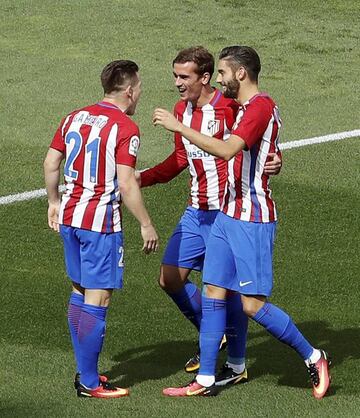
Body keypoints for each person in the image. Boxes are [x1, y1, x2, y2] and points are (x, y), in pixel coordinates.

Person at [153, 46, 331, 399]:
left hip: (252, 216)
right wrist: (274, 156)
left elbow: (226, 150)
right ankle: (205, 379)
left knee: (251, 305)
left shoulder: (260, 106)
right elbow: (261, 148)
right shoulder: (245, 108)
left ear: (240, 74)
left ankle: (314, 355)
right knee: (214, 292)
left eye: (222, 73)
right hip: (226, 213)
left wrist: (179, 127)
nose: (218, 80)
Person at [139, 46, 281, 379]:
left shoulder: (231, 108)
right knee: (169, 278)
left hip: (226, 212)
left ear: (205, 78)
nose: (177, 83)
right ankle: (211, 332)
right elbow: (179, 160)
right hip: (196, 210)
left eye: (184, 76)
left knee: (225, 290)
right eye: (175, 75)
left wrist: (277, 159)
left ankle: (235, 360)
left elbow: (257, 143)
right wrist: (141, 178)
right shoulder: (181, 111)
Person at [44, 60, 159, 399]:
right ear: (128, 90)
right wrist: (146, 223)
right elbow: (126, 183)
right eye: (138, 88)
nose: (139, 94)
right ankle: (89, 382)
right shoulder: (126, 128)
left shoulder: (74, 117)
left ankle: (85, 374)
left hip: (70, 218)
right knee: (99, 296)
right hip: (100, 225)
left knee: (80, 292)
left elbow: (52, 162)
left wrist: (53, 200)